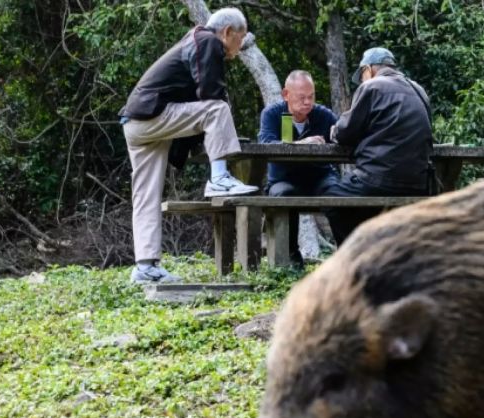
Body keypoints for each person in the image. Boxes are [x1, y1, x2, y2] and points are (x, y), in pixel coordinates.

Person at [119, 7, 259, 283]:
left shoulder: (193, 40)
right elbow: (210, 96)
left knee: (146, 195)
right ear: (228, 32)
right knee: (217, 109)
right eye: (239, 39)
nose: (239, 47)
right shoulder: (207, 40)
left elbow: (194, 96)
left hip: (136, 123)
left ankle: (145, 266)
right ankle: (218, 178)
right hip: (152, 115)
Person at [326, 47, 433, 244]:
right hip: (418, 184)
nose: (362, 80)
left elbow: (345, 133)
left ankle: (354, 259)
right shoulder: (419, 90)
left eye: (362, 75)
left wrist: (333, 130)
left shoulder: (372, 87)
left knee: (334, 200)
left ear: (368, 69)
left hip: (378, 180)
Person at [257, 70, 339, 265]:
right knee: (283, 195)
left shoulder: (324, 115)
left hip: (319, 177)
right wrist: (302, 144)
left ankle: (346, 257)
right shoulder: (273, 114)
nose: (308, 102)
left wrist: (340, 134)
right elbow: (266, 145)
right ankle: (290, 258)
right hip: (283, 179)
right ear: (286, 95)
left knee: (339, 193)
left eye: (311, 96)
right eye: (302, 97)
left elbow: (344, 139)